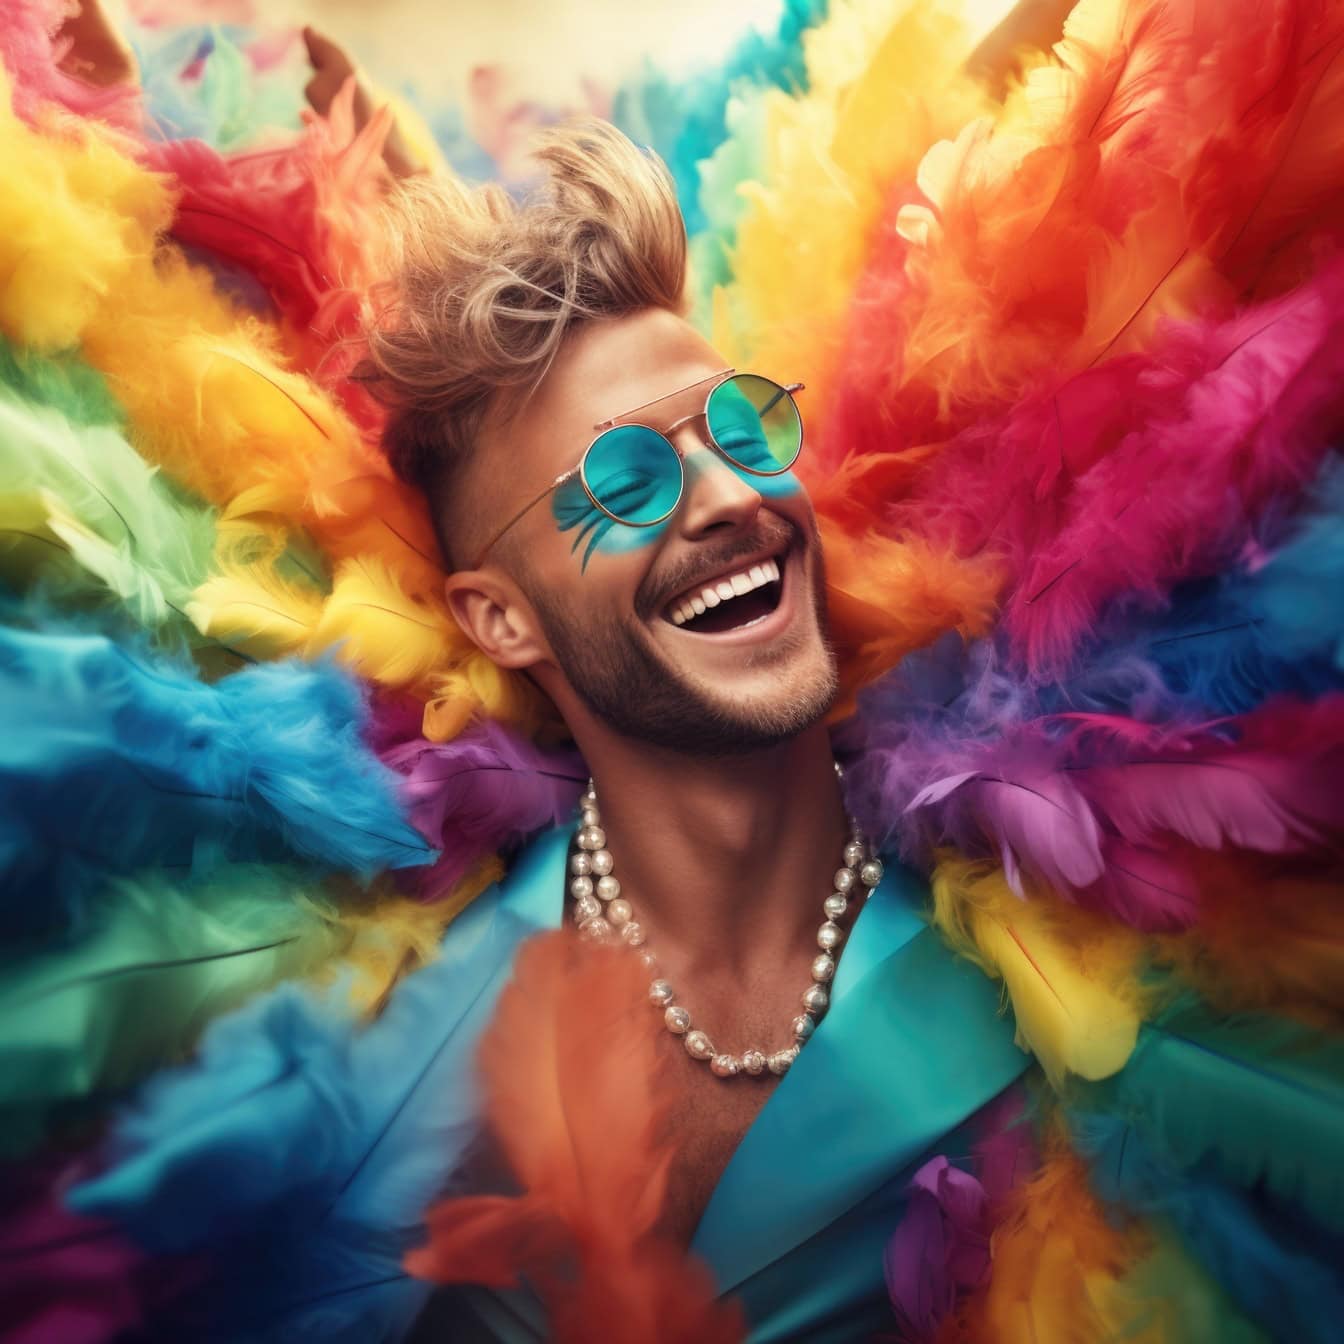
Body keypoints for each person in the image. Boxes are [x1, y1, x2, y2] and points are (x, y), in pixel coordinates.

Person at [354, 120, 1032, 1340]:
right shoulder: (416, 1033)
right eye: (622, 480)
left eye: (739, 428)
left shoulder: (1037, 944)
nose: (730, 498)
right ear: (500, 617)